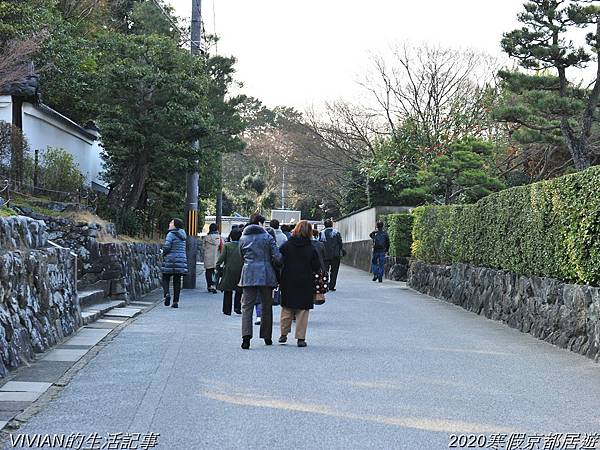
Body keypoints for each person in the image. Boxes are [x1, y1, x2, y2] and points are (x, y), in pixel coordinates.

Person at [239, 213, 282, 349]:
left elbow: (241, 256)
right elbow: (277, 257)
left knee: (247, 306)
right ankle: (267, 336)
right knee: (266, 305)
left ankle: (246, 338)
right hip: (265, 274)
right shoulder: (267, 237)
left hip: (248, 273)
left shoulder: (243, 238)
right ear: (259, 223)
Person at [279, 220, 321, 347]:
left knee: (287, 308)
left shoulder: (286, 245)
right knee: (302, 310)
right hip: (305, 281)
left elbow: (279, 260)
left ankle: (283, 334)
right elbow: (316, 266)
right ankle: (300, 338)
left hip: (288, 279)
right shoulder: (311, 247)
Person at [161, 218, 188, 309]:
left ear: (175, 225)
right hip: (180, 260)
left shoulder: (171, 234)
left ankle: (167, 294)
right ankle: (175, 302)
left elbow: (167, 246)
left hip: (170, 259)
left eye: (171, 222)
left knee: (165, 277)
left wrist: (163, 252)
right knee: (177, 281)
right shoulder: (183, 234)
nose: (169, 223)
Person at [216, 228, 243, 315]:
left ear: (231, 236)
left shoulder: (227, 245)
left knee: (228, 290)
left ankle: (227, 310)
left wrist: (218, 267)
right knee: (239, 290)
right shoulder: (243, 245)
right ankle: (237, 308)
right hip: (240, 270)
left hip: (229, 270)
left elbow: (221, 258)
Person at [319, 219, 343, 291]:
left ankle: (325, 285)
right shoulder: (336, 233)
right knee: (334, 271)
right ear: (332, 225)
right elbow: (340, 243)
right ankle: (332, 286)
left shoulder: (322, 233)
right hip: (335, 255)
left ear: (324, 225)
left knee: (325, 271)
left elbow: (319, 243)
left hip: (325, 255)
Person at [203, 223, 222, 294]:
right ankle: (214, 286)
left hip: (208, 257)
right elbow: (221, 248)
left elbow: (203, 247)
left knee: (208, 271)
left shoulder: (206, 237)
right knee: (216, 272)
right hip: (216, 256)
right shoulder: (219, 238)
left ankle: (209, 286)